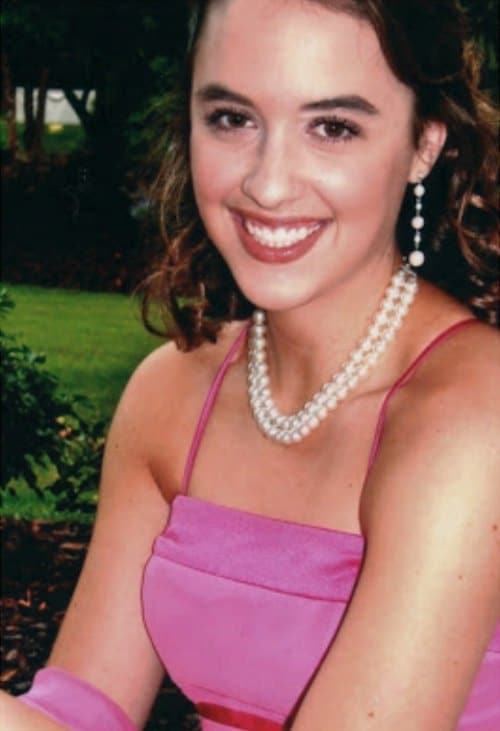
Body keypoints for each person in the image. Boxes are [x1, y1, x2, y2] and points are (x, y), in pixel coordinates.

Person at [1, 1, 499, 729]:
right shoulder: (172, 392)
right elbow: (82, 712)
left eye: (332, 127)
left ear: (425, 143)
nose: (268, 183)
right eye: (233, 118)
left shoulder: (474, 412)